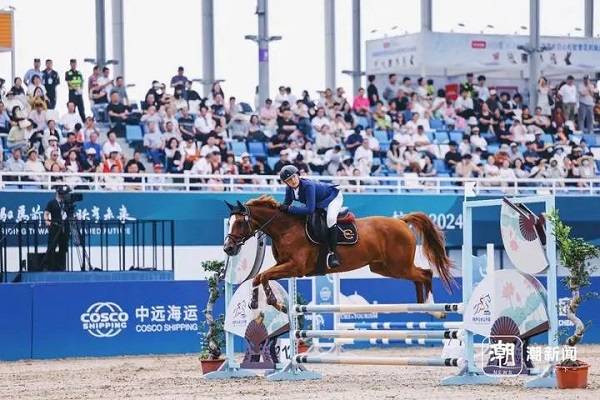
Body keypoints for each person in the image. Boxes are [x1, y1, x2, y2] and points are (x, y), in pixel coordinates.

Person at [278, 165, 343, 269]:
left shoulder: (308, 186)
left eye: (294, 177)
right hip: (318, 202)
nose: (293, 181)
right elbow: (285, 205)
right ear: (286, 183)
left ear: (298, 175)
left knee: (330, 219)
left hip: (332, 198)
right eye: (289, 180)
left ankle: (333, 255)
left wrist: (290, 209)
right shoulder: (289, 189)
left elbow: (309, 210)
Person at [43, 185, 72, 271]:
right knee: (52, 246)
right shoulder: (52, 203)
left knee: (63, 247)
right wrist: (47, 221)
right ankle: (48, 265)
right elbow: (46, 213)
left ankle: (61, 265)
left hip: (65, 227)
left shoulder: (67, 203)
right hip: (55, 226)